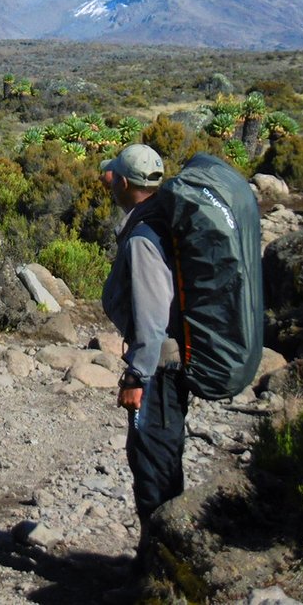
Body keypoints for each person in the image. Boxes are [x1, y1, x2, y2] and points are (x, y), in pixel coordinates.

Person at [98, 143, 187, 531]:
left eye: (113, 176)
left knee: (152, 460)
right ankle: (159, 558)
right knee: (160, 455)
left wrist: (136, 376)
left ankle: (159, 564)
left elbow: (152, 318)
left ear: (121, 182)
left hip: (159, 370)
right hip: (170, 363)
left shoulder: (142, 239)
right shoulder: (160, 218)